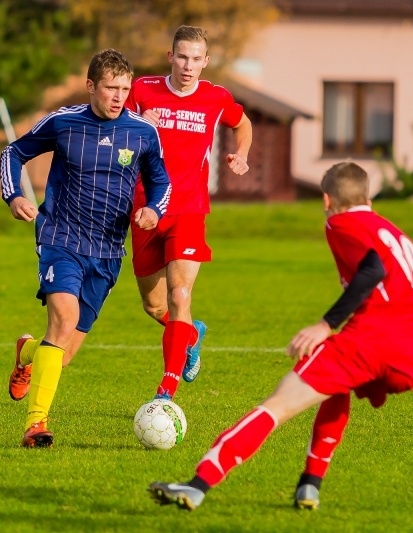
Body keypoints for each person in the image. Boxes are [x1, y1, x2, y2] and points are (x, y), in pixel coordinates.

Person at [147, 161, 413, 510]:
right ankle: (310, 485)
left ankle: (197, 485)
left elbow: (373, 269)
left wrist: (325, 324)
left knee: (277, 405)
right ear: (367, 195)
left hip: (372, 339)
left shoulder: (340, 221)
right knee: (335, 387)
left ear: (326, 199)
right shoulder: (394, 233)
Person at [0, 48, 172, 448]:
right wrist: (13, 197)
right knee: (63, 317)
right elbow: (14, 152)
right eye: (111, 88)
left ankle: (26, 353)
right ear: (91, 85)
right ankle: (36, 425)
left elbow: (162, 182)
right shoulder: (64, 123)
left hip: (108, 251)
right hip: (60, 237)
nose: (119, 97)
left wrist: (153, 210)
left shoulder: (142, 133)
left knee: (59, 356)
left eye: (125, 89)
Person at [119, 25, 253, 401]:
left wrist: (240, 154)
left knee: (180, 295)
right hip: (145, 210)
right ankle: (191, 334)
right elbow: (114, 129)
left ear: (206, 62)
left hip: (190, 210)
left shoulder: (217, 97)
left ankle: (167, 391)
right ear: (170, 57)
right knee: (155, 305)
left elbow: (243, 123)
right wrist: (141, 125)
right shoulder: (143, 90)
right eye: (182, 57)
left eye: (196, 59)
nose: (188, 66)